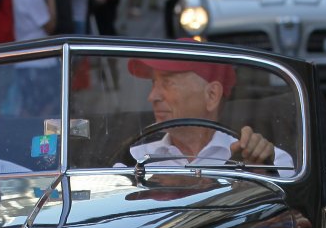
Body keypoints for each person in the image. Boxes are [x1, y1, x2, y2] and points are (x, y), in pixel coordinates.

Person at [122, 56, 292, 170]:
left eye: (167, 83)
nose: (152, 96)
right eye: (154, 83)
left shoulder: (270, 162)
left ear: (212, 95)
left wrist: (258, 176)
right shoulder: (132, 161)